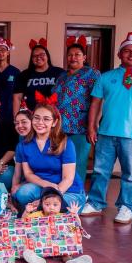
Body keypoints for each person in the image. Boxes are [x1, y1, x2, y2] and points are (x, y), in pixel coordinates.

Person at [81, 32, 132, 224]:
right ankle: (95, 202)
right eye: (127, 51)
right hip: (106, 133)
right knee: (100, 170)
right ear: (119, 55)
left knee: (130, 173)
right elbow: (95, 103)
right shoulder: (105, 77)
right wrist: (92, 127)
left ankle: (127, 207)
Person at [12, 103, 86, 213]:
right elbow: (28, 174)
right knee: (23, 193)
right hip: (42, 188)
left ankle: (41, 207)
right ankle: (40, 208)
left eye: (46, 119)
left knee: (55, 207)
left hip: (67, 191)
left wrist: (49, 199)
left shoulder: (65, 143)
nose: (40, 123)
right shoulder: (24, 145)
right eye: (36, 118)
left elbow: (68, 178)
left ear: (54, 122)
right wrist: (47, 186)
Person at [53, 41, 100, 182]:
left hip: (81, 126)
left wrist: (94, 124)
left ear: (84, 57)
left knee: (78, 161)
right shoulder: (62, 76)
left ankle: (76, 195)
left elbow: (98, 100)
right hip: (60, 127)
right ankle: (59, 193)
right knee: (59, 161)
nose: (73, 57)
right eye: (70, 55)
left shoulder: (92, 74)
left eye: (77, 55)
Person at [21, 188, 92, 263]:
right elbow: (23, 222)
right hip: (41, 246)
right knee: (31, 241)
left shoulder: (62, 216)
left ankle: (70, 262)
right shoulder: (37, 215)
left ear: (60, 205)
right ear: (42, 205)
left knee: (66, 252)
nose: (51, 208)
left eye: (55, 205)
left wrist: (75, 216)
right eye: (47, 205)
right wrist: (26, 212)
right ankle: (38, 260)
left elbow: (76, 226)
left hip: (59, 246)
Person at [13, 41, 64, 115]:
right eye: (35, 56)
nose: (38, 57)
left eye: (42, 54)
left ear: (47, 56)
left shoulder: (59, 73)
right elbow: (17, 98)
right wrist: (16, 119)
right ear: (32, 59)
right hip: (30, 116)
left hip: (53, 116)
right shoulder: (24, 75)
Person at [0, 38, 20, 123]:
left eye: (3, 50)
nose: (0, 53)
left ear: (8, 52)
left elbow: (18, 96)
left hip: (10, 114)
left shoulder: (15, 72)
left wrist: (16, 116)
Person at [11, 109, 33, 197]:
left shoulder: (40, 142)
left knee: (23, 192)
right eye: (16, 123)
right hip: (27, 179)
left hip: (44, 181)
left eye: (24, 122)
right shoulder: (21, 144)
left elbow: (42, 174)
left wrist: (21, 185)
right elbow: (17, 173)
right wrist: (13, 190)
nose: (19, 126)